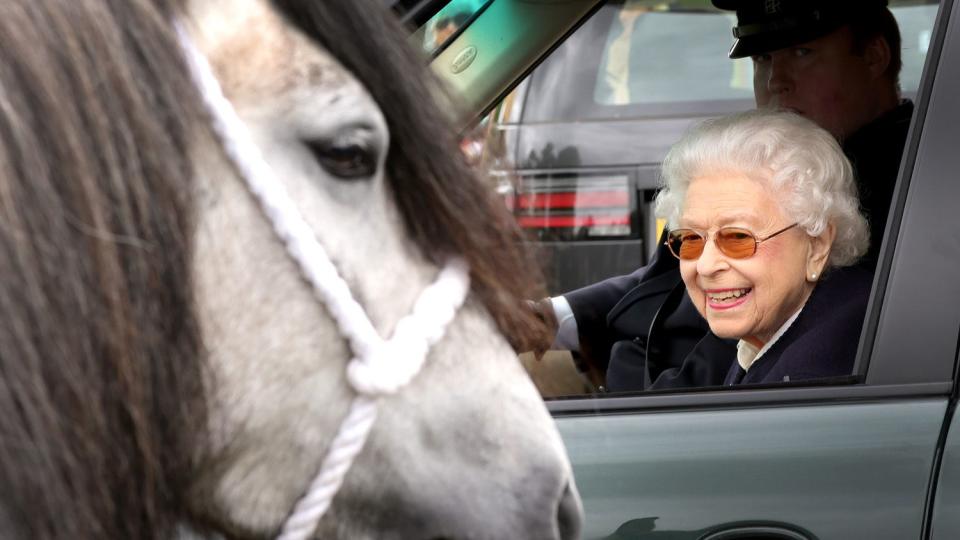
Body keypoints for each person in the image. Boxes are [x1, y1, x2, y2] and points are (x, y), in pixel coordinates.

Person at [541, 0, 912, 392]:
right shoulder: (753, 169)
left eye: (803, 53)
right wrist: (555, 316)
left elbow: (760, 345)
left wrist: (631, 416)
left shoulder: (903, 192)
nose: (775, 81)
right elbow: (661, 280)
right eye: (763, 59)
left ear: (874, 57)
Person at [613, 110, 871, 389]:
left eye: (737, 237)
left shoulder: (823, 368)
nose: (706, 265)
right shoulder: (775, 330)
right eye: (691, 239)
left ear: (817, 246)